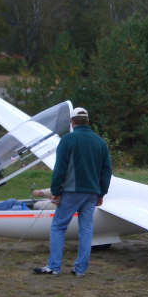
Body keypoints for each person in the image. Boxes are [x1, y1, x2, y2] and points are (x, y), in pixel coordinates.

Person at [33, 107, 112, 277]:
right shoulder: (100, 143)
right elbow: (107, 171)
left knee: (58, 227)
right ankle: (80, 269)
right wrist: (101, 194)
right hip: (92, 193)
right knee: (86, 230)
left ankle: (54, 266)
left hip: (71, 192)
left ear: (72, 122)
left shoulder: (67, 140)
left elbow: (60, 168)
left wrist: (55, 191)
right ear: (87, 121)